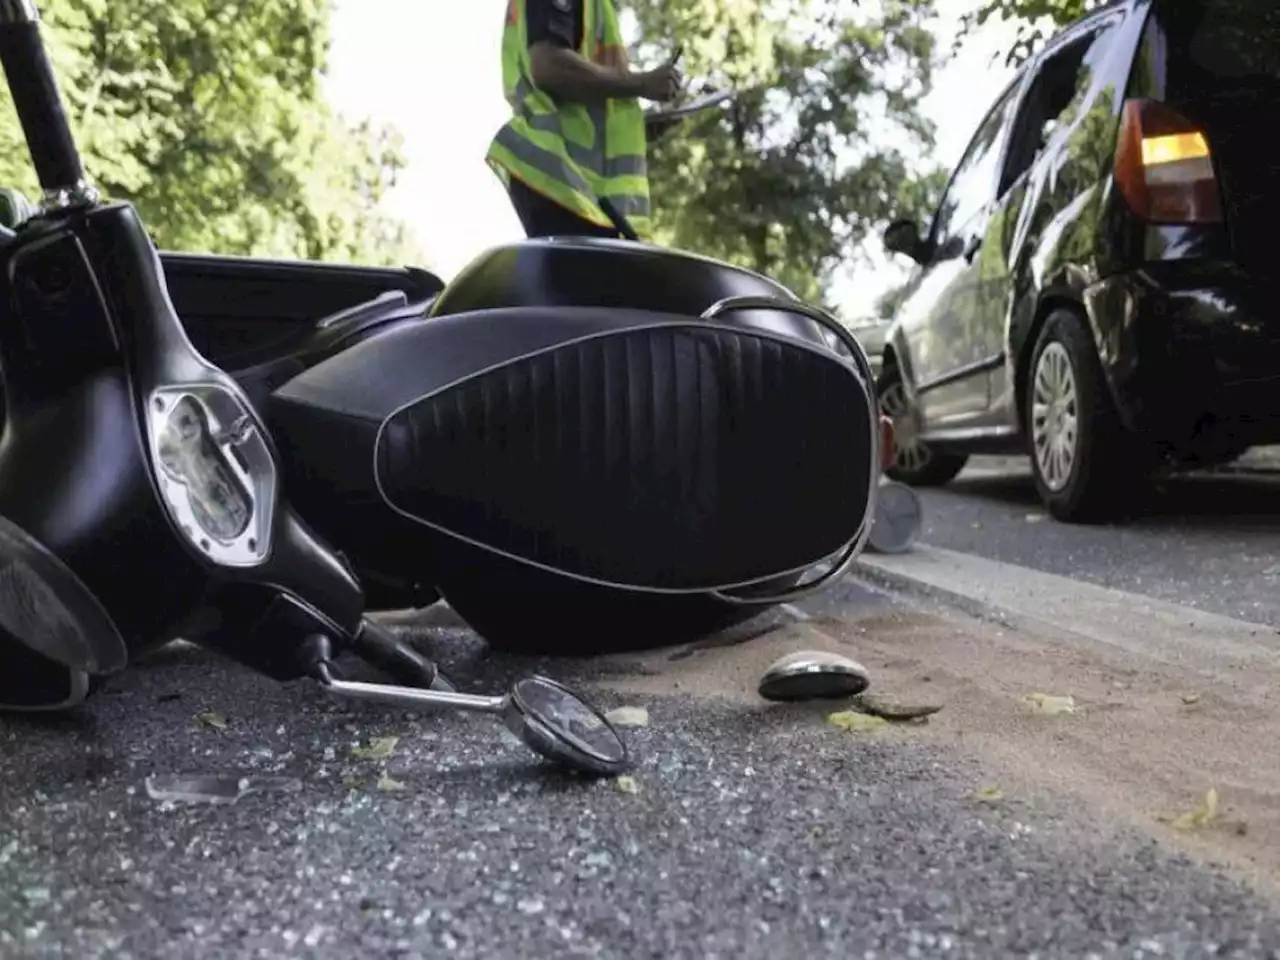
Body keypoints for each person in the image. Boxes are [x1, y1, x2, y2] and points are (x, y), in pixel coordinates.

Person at [488, 0, 684, 240]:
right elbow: (548, 65)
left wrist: (641, 128)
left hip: (581, 190)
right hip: (564, 178)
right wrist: (642, 83)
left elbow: (592, 108)